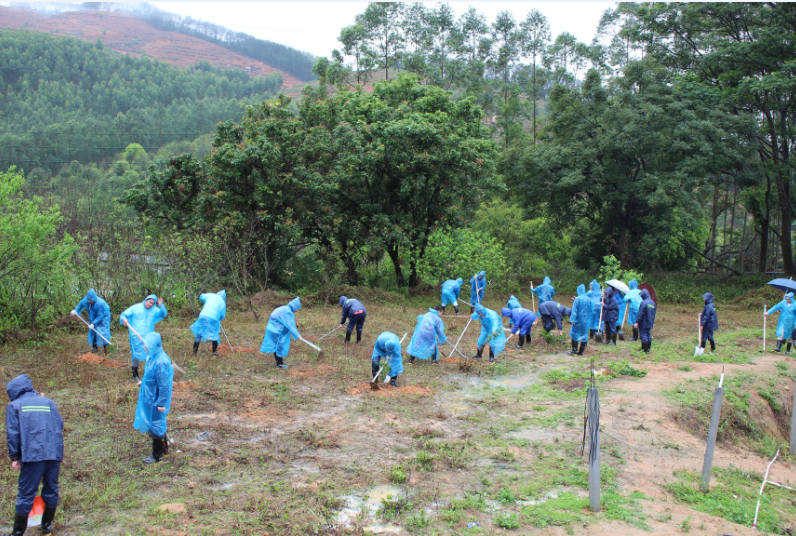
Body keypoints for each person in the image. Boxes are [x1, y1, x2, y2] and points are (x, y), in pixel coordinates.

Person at [4, 374, 63, 536]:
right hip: (53, 453)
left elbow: (13, 434)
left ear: (14, 391)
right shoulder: (48, 402)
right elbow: (59, 424)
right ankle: (46, 527)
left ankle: (17, 533)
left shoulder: (14, 406)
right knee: (51, 489)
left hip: (33, 456)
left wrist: (15, 457)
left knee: (26, 494)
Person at [133, 333, 174, 464]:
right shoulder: (152, 357)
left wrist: (161, 403)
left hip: (155, 401)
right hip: (149, 398)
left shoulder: (161, 362)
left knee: (156, 426)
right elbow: (152, 376)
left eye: (147, 344)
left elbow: (164, 385)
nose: (144, 347)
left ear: (154, 345)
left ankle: (157, 455)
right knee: (156, 424)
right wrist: (144, 383)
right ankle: (164, 448)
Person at [120, 294, 167, 382]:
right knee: (136, 354)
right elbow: (124, 314)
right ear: (146, 300)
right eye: (150, 302)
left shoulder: (155, 310)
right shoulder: (135, 308)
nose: (150, 305)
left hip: (149, 336)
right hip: (136, 335)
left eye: (153, 303)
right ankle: (134, 375)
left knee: (150, 353)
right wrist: (124, 318)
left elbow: (163, 314)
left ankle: (148, 373)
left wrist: (161, 305)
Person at [259, 297, 302, 370]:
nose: (297, 310)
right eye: (297, 308)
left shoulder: (286, 308)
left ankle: (280, 362)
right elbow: (290, 326)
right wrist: (298, 335)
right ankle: (279, 364)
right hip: (275, 330)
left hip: (275, 328)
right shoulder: (287, 312)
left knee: (279, 345)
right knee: (279, 346)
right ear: (294, 307)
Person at [70, 289, 112, 355]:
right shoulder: (85, 300)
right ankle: (94, 348)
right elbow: (80, 305)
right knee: (93, 330)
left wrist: (93, 323)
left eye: (91, 301)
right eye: (89, 300)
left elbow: (100, 316)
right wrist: (75, 310)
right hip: (93, 314)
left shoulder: (99, 303)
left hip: (104, 314)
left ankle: (106, 348)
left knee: (103, 330)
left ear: (94, 299)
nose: (90, 302)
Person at [190, 290, 226, 357]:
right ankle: (214, 352)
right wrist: (219, 318)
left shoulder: (211, 295)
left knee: (199, 333)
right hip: (214, 318)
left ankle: (194, 352)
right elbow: (222, 316)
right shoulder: (222, 302)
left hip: (203, 315)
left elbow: (201, 296)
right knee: (214, 334)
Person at [568, 284, 592, 355]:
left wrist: (572, 320)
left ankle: (574, 350)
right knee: (584, 335)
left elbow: (574, 310)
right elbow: (591, 310)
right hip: (586, 320)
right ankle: (581, 352)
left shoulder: (577, 299)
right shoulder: (589, 299)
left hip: (578, 320)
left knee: (574, 334)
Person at [634, 289, 657, 353]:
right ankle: (648, 349)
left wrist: (637, 322)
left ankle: (644, 350)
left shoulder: (643, 303)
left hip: (643, 322)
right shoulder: (653, 303)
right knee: (648, 335)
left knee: (643, 335)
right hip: (650, 322)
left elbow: (640, 314)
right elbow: (654, 314)